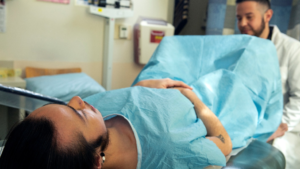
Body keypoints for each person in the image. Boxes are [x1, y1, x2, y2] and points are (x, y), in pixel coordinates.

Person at [0, 78, 232, 169]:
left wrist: (142, 86)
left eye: (66, 106)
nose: (78, 100)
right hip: (208, 93)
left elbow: (126, 97)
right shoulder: (171, 152)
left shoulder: (90, 115)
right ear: (94, 161)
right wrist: (192, 98)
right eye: (78, 114)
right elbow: (224, 143)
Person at [236, 0, 300, 168]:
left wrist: (273, 127)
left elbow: (299, 98)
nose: (242, 24)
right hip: (246, 131)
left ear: (268, 15)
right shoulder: (240, 49)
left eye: (249, 17)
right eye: (239, 18)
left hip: (282, 134)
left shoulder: (293, 49)